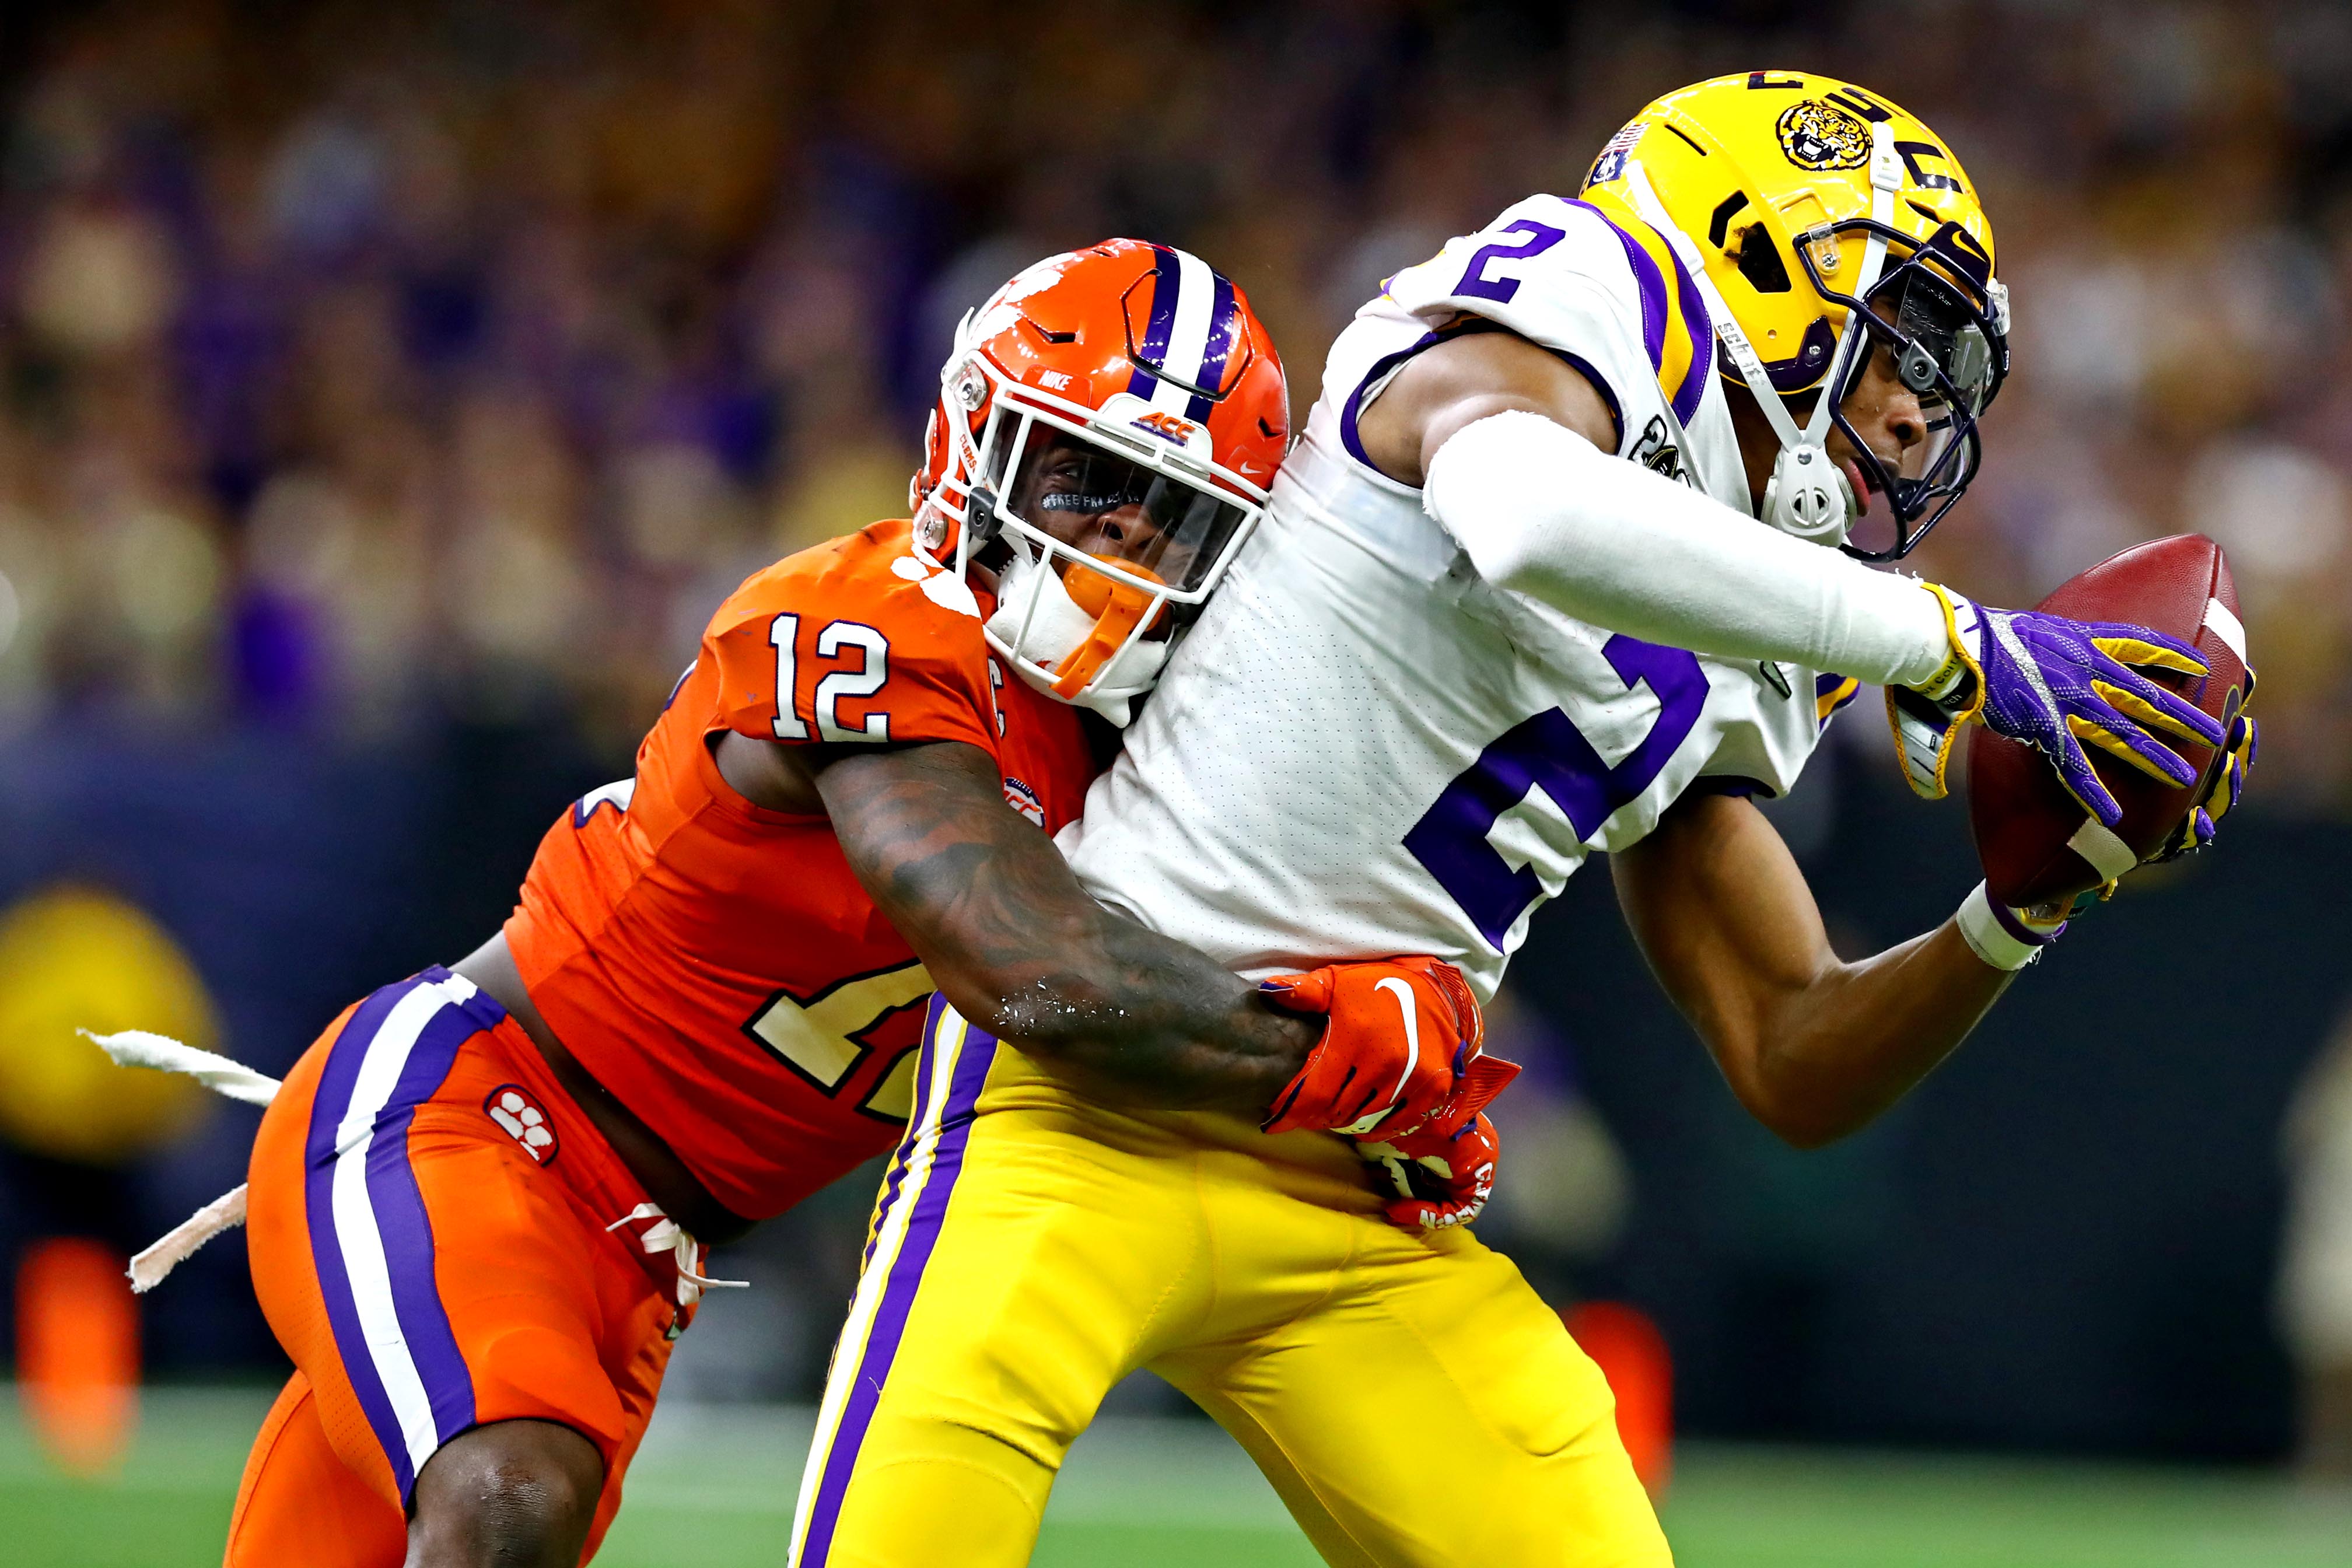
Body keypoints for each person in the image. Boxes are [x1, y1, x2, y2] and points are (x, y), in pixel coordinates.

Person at [790, 73, 2259, 1567]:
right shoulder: (1596, 292)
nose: (1918, 410)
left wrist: (2014, 916)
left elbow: (1789, 1049)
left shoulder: (1767, 603)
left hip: (1357, 1186)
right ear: (1754, 252)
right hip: (1089, 1083)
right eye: (1911, 340)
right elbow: (1531, 512)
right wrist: (1951, 643)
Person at [211, 240, 1497, 1568]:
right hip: (471, 1120)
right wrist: (1332, 1054)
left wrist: (1394, 1017)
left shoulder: (1159, 757)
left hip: (644, 1255)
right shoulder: (876, 614)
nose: (1116, 532)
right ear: (973, 439)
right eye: (1088, 479)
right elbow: (1030, 965)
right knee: (508, 1496)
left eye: (1163, 508)